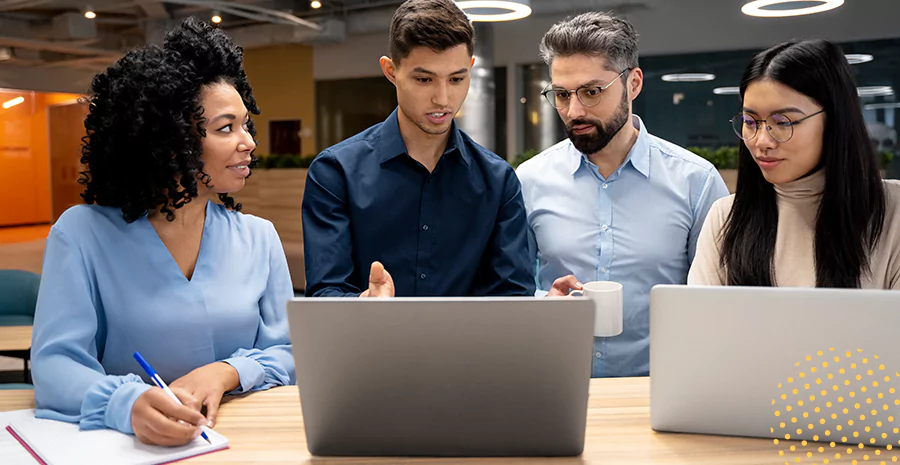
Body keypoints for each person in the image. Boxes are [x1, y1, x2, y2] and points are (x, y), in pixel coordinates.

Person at [30, 17, 294, 447]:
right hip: (133, 447)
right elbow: (56, 367)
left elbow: (290, 351)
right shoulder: (81, 235)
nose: (248, 141)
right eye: (226, 128)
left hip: (249, 440)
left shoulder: (259, 238)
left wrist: (226, 372)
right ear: (170, 142)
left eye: (245, 124)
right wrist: (127, 403)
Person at [516, 12, 728, 377]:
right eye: (562, 95)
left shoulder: (696, 182)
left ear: (633, 83)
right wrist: (542, 303)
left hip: (663, 389)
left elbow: (722, 303)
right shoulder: (530, 180)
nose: (574, 111)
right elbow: (510, 290)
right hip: (555, 382)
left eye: (591, 92)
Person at [302, 0, 534, 298]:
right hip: (369, 343)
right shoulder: (335, 173)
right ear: (390, 71)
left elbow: (513, 298)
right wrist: (363, 305)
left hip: (470, 346)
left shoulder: (498, 180)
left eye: (457, 79)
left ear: (471, 69)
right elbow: (325, 292)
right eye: (424, 79)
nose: (442, 98)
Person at [688, 40, 900, 289]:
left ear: (835, 120)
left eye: (785, 122)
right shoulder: (726, 217)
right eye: (750, 121)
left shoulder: (892, 212)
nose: (762, 141)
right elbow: (703, 322)